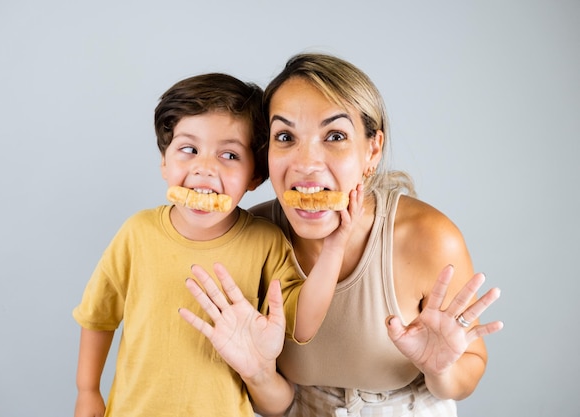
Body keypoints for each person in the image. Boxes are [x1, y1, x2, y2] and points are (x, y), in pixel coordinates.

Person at [180, 53, 504, 416]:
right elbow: (270, 403)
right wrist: (256, 374)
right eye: (285, 136)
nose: (306, 163)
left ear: (372, 149)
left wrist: (440, 368)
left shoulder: (428, 238)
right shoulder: (247, 241)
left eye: (334, 136)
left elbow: (468, 372)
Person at [72, 72, 362, 417]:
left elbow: (302, 323)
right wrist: (87, 390)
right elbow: (98, 316)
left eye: (229, 156)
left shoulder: (265, 241)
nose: (205, 168)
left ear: (256, 175)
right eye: (189, 149)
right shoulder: (137, 233)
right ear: (164, 162)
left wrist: (334, 247)